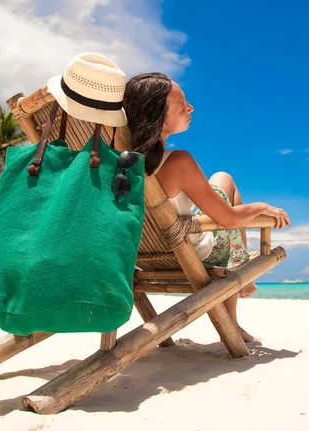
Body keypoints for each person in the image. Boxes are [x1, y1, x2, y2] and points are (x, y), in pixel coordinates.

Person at [121, 72, 291, 342]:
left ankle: (241, 275)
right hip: (188, 252)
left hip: (142, 254)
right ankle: (236, 298)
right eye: (182, 105)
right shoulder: (178, 163)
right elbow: (231, 220)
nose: (191, 108)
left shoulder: (121, 165)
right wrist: (261, 206)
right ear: (158, 115)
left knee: (221, 179)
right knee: (226, 204)